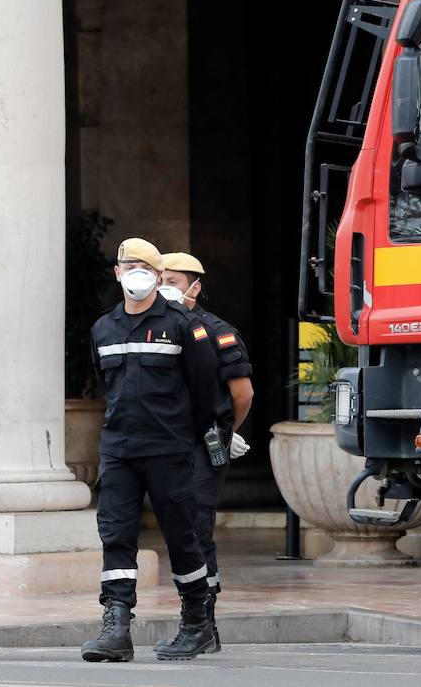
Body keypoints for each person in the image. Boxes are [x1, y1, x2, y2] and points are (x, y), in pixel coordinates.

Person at [80, 238, 221, 663]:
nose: (135, 272)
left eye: (145, 265)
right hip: (119, 450)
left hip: (169, 450)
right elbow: (109, 389)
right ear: (117, 273)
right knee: (116, 536)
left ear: (159, 276)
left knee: (182, 536)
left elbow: (205, 391)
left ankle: (197, 623)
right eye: (128, 265)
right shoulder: (103, 328)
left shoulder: (181, 324)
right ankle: (117, 625)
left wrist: (184, 438)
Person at [157, 251, 255, 653]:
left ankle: (202, 623)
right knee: (180, 528)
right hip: (166, 443)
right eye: (160, 277)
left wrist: (226, 430)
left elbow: (242, 392)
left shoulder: (216, 331)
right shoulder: (154, 328)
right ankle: (200, 625)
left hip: (203, 443)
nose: (165, 287)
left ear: (195, 287)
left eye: (174, 281)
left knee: (197, 525)